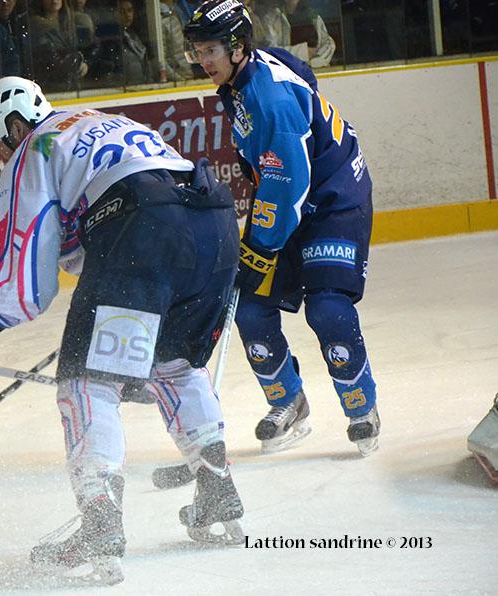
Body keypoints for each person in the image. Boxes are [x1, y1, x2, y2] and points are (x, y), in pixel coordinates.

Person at [0, 76, 243, 584]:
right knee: (174, 365)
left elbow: (27, 270)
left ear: (14, 125)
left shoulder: (35, 145)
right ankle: (218, 490)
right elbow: (85, 241)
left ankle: (99, 523)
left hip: (144, 228)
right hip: (213, 225)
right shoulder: (97, 122)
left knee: (87, 381)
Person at [183, 0, 380, 456]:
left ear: (237, 47)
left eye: (210, 50)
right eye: (198, 51)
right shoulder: (242, 75)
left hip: (333, 200)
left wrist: (260, 247)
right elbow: (281, 166)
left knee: (327, 308)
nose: (202, 61)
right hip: (289, 195)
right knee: (250, 308)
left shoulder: (268, 99)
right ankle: (288, 401)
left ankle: (361, 406)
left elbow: (290, 182)